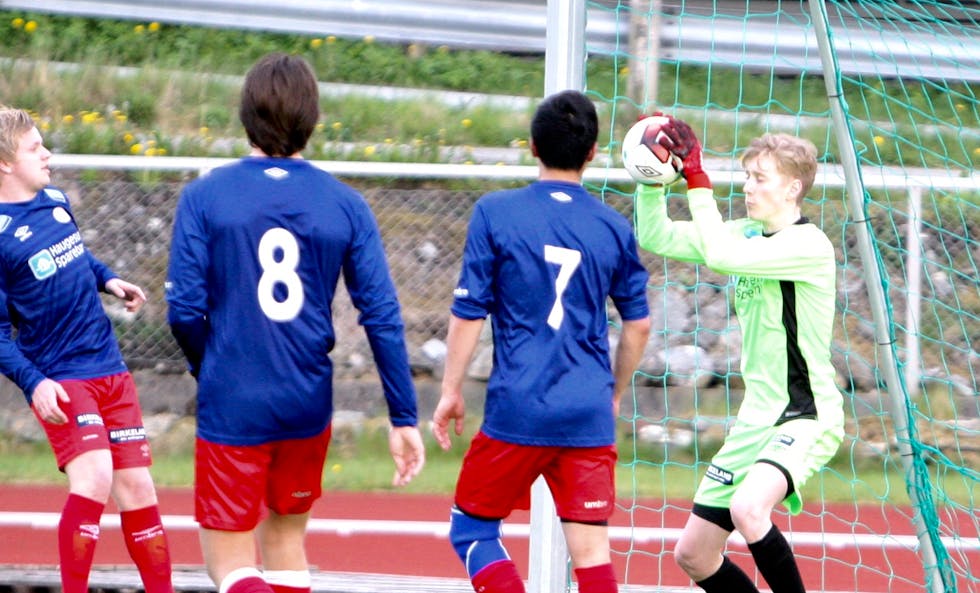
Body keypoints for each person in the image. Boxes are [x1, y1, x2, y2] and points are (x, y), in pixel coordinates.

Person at [165, 52, 426, 593]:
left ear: (245, 115)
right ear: (314, 117)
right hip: (307, 401)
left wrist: (208, 367)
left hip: (235, 395)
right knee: (286, 544)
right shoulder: (346, 204)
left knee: (229, 562)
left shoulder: (205, 195)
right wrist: (403, 415)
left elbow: (185, 310)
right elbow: (380, 314)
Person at [432, 89, 652, 593]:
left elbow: (469, 311)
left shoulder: (495, 213)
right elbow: (638, 324)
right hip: (587, 411)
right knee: (592, 556)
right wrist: (613, 393)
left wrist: (450, 390)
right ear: (593, 152)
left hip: (518, 408)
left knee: (472, 530)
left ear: (532, 146)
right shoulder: (614, 227)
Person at [631, 117, 844, 593]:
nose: (748, 187)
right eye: (747, 176)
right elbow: (658, 238)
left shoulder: (808, 245)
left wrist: (698, 181)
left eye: (760, 179)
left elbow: (722, 257)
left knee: (749, 508)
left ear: (792, 189)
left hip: (805, 414)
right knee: (694, 554)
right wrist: (652, 180)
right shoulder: (746, 232)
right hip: (757, 419)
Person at [0, 106, 174, 593]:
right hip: (62, 376)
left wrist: (109, 280)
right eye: (35, 148)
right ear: (5, 163)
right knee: (95, 477)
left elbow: (75, 252)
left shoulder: (54, 199)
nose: (47, 153)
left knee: (138, 487)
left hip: (109, 366)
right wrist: (35, 385)